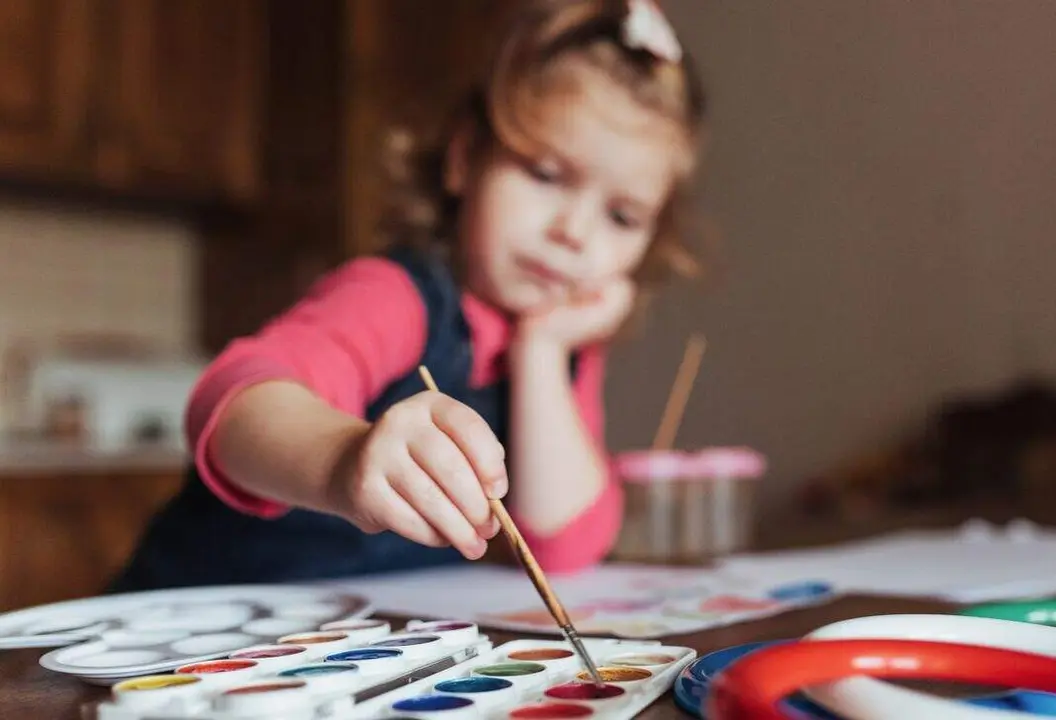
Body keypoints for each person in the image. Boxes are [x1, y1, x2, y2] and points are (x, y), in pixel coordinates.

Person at [109, 0, 706, 592]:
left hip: (335, 650)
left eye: (622, 217)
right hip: (191, 628)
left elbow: (560, 544)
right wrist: (346, 459)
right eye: (545, 175)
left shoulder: (560, 344)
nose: (574, 232)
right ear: (464, 158)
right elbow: (230, 404)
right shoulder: (397, 296)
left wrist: (541, 354)